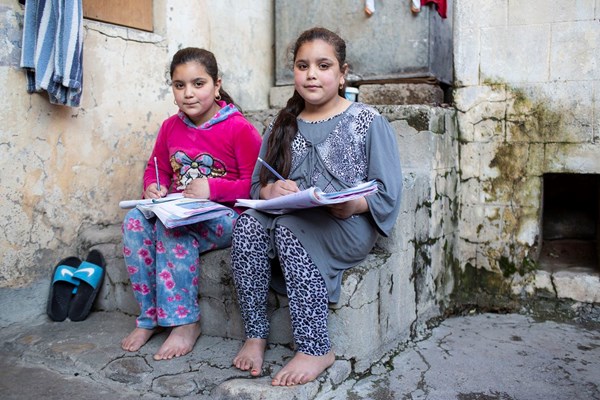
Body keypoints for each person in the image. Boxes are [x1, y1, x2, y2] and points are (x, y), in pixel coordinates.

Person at [230, 27, 403, 386]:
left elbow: (388, 194)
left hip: (346, 224)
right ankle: (255, 333)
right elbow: (255, 186)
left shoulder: (368, 122)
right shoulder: (282, 125)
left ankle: (315, 347)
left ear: (342, 74)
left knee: (291, 230)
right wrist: (270, 191)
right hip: (293, 216)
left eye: (323, 65)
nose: (311, 74)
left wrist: (354, 204)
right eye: (302, 65)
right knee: (247, 224)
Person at [121, 47, 261, 361]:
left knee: (173, 230)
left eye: (198, 84)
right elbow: (154, 166)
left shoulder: (239, 129)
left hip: (227, 217)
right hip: (179, 208)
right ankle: (149, 317)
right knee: (134, 221)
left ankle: (185, 322)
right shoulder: (170, 127)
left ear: (216, 84)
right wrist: (152, 186)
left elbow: (256, 186)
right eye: (179, 85)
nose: (188, 93)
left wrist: (213, 187)